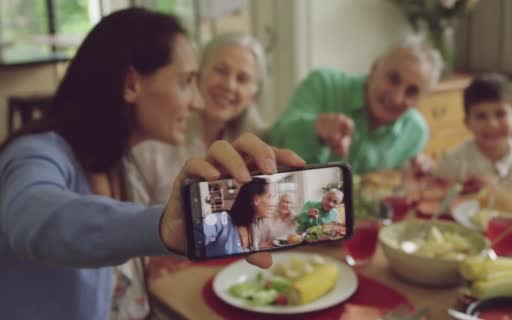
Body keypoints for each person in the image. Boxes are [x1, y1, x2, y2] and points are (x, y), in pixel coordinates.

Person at [0, 8, 304, 320]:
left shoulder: (120, 161)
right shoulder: (33, 154)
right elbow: (35, 220)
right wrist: (160, 226)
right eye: (186, 81)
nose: (197, 102)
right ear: (131, 84)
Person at [266, 36, 443, 174]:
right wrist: (315, 127)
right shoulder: (323, 84)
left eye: (412, 92)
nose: (397, 98)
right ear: (374, 69)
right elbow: (275, 138)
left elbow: (395, 191)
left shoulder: (416, 131)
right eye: (393, 79)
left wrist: (415, 175)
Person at [129, 32, 268, 205]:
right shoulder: (156, 138)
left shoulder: (260, 148)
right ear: (198, 74)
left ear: (254, 94)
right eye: (220, 71)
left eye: (242, 79)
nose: (229, 85)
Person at [437, 73, 512, 205]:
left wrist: (495, 192)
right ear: (467, 123)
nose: (492, 124)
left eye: (500, 114)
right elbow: (441, 208)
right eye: (481, 116)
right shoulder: (452, 160)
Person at [228, 178, 273, 251]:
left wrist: (259, 247)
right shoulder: (223, 224)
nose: (271, 204)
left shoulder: (252, 224)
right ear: (256, 199)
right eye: (269, 197)